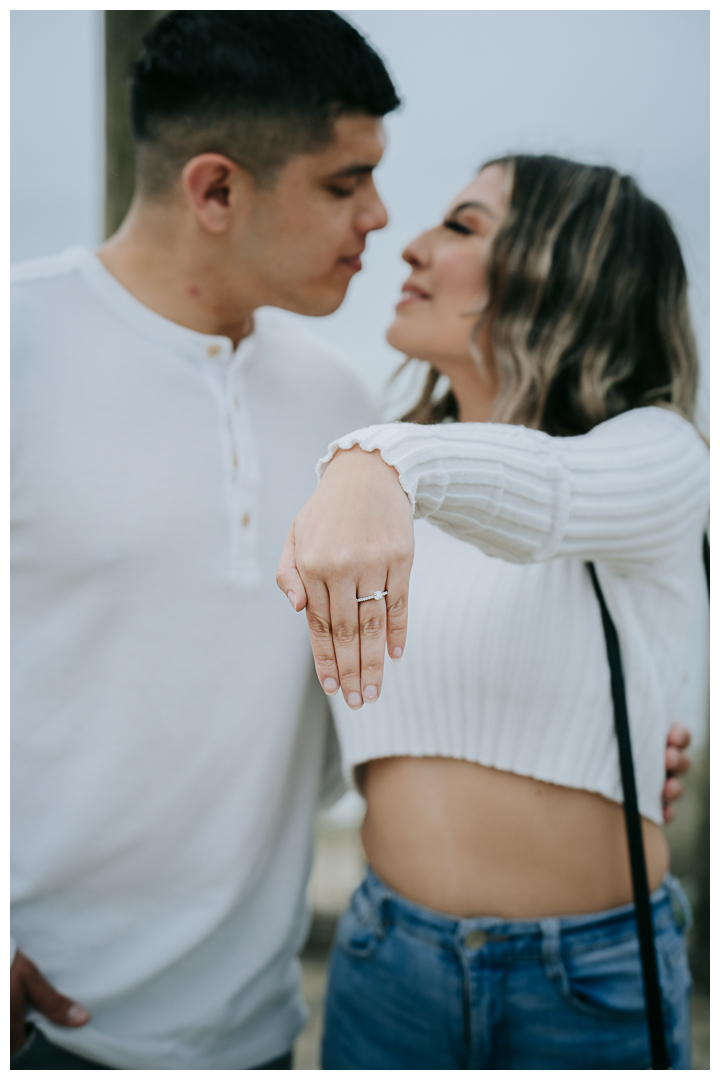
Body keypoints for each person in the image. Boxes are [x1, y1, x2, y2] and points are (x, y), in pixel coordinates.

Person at [10, 11, 399, 1070]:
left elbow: (378, 686)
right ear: (216, 190)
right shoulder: (18, 346)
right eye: (342, 182)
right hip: (37, 1032)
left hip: (263, 1035)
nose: (380, 214)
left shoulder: (342, 403)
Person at [276, 155, 709, 1069]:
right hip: (384, 958)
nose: (413, 246)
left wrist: (379, 462)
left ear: (571, 271)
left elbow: (548, 491)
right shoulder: (376, 499)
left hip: (584, 984)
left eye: (464, 227)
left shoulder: (655, 455)